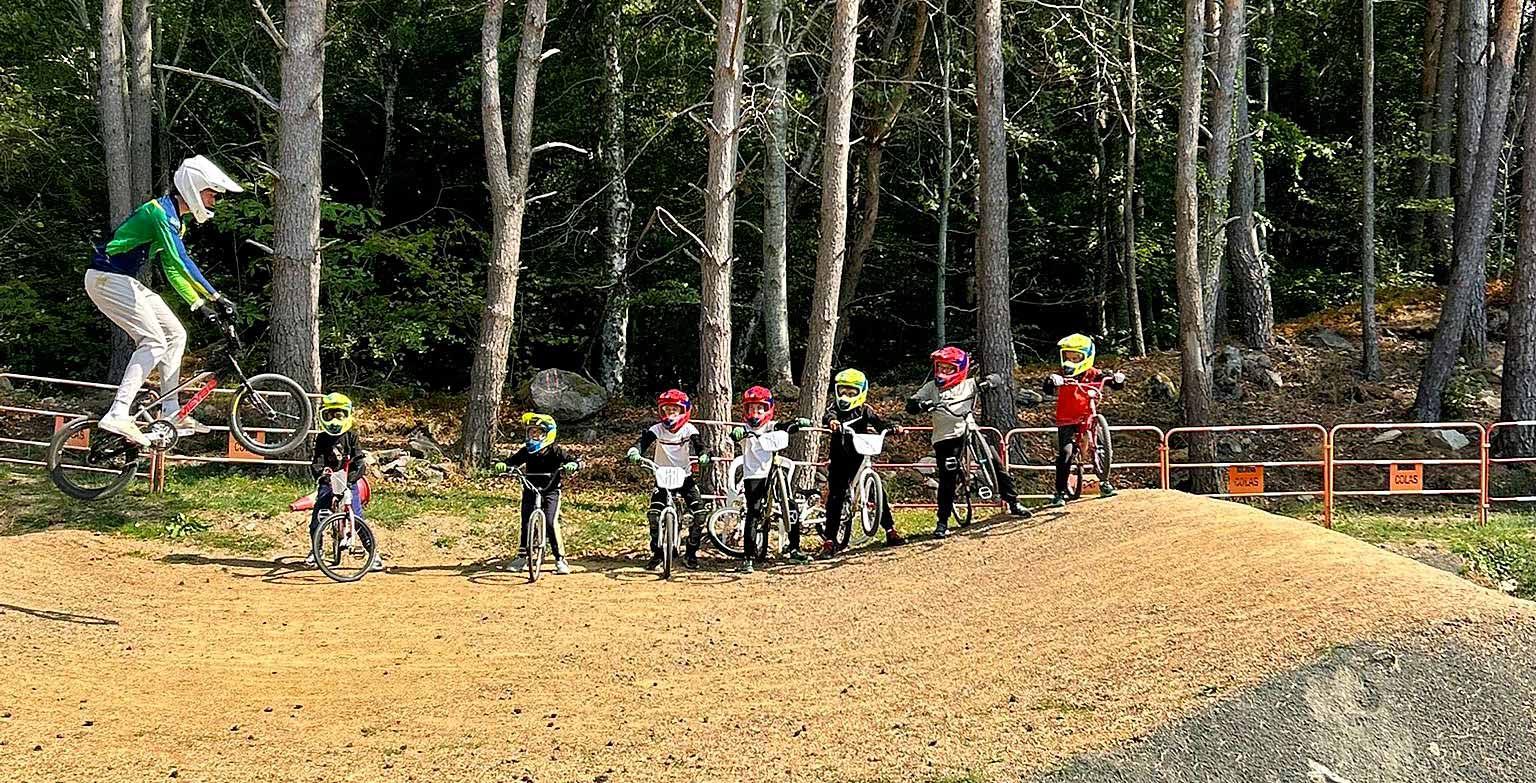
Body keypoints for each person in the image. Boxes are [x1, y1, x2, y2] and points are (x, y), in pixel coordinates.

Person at [85, 155, 244, 447]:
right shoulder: (159, 213)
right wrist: (215, 296)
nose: (214, 201)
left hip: (122, 280)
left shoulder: (175, 221)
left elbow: (171, 269)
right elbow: (179, 259)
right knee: (154, 341)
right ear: (195, 189)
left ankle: (171, 412)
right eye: (211, 193)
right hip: (105, 278)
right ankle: (118, 412)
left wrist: (199, 304)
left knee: (176, 334)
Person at [907, 346, 1027, 537]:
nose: (943, 372)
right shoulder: (931, 387)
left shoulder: (970, 384)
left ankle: (1013, 502)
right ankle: (942, 522)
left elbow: (997, 378)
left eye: (949, 369)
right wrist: (918, 405)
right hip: (945, 438)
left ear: (960, 370)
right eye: (940, 368)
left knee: (996, 461)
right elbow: (912, 403)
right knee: (948, 477)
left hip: (969, 429)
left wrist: (988, 383)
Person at [727, 386, 811, 573]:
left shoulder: (771, 425)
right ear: (746, 410)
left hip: (774, 469)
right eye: (751, 408)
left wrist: (797, 423)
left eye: (760, 408)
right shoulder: (745, 428)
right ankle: (748, 557)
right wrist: (736, 435)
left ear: (768, 409)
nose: (755, 413)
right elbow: (734, 435)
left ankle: (795, 548)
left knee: (790, 507)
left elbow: (784, 426)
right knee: (754, 511)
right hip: (754, 474)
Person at [626, 389, 712, 570]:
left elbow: (700, 446)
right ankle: (657, 554)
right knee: (654, 515)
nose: (670, 415)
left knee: (700, 515)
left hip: (684, 477)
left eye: (674, 410)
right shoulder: (656, 429)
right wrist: (635, 451)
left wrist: (704, 455)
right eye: (666, 410)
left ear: (684, 411)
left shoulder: (689, 429)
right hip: (662, 478)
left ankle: (691, 553)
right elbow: (642, 442)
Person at [822, 369, 905, 554]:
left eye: (851, 393)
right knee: (836, 496)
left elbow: (879, 423)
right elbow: (828, 416)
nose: (845, 396)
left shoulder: (865, 410)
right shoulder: (833, 407)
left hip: (860, 456)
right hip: (839, 458)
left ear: (861, 392)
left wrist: (893, 428)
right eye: (842, 391)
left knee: (878, 493)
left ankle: (890, 531)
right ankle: (829, 540)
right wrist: (833, 422)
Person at [1044, 334, 1126, 507]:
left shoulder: (1093, 373)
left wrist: (1118, 380)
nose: (1071, 361)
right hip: (1066, 418)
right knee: (1066, 453)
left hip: (1088, 414)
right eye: (1069, 357)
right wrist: (1053, 381)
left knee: (1101, 446)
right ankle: (1059, 492)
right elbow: (1048, 387)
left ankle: (1104, 482)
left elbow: (1110, 381)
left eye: (1076, 358)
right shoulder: (1061, 374)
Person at [497, 413, 581, 576]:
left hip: (551, 490)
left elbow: (574, 460)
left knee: (550, 522)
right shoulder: (526, 451)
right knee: (526, 522)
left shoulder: (555, 450)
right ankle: (522, 556)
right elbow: (511, 461)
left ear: (547, 434)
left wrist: (572, 465)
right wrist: (502, 465)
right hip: (530, 488)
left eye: (538, 432)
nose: (533, 436)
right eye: (531, 432)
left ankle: (559, 559)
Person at [306, 393, 381, 571]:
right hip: (328, 481)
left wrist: (351, 479)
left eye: (339, 415)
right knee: (317, 519)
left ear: (347, 415)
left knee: (357, 517)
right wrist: (322, 475)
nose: (334, 420)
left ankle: (373, 554)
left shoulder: (351, 436)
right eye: (329, 415)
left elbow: (359, 462)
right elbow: (317, 461)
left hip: (348, 481)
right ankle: (317, 551)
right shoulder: (323, 438)